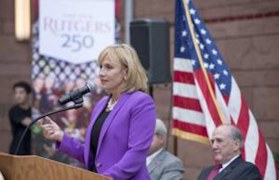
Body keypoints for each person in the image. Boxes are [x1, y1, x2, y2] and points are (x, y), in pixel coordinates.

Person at [39, 44, 156, 180]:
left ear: (126, 73)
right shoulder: (101, 104)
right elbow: (92, 157)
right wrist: (60, 137)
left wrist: (108, 177)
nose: (101, 73)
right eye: (101, 67)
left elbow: (137, 153)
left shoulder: (141, 102)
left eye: (109, 67)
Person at [9, 81, 32, 155]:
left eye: (21, 92)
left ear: (28, 94)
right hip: (18, 150)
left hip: (32, 150)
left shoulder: (33, 111)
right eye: (16, 93)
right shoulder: (14, 110)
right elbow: (29, 123)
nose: (18, 95)